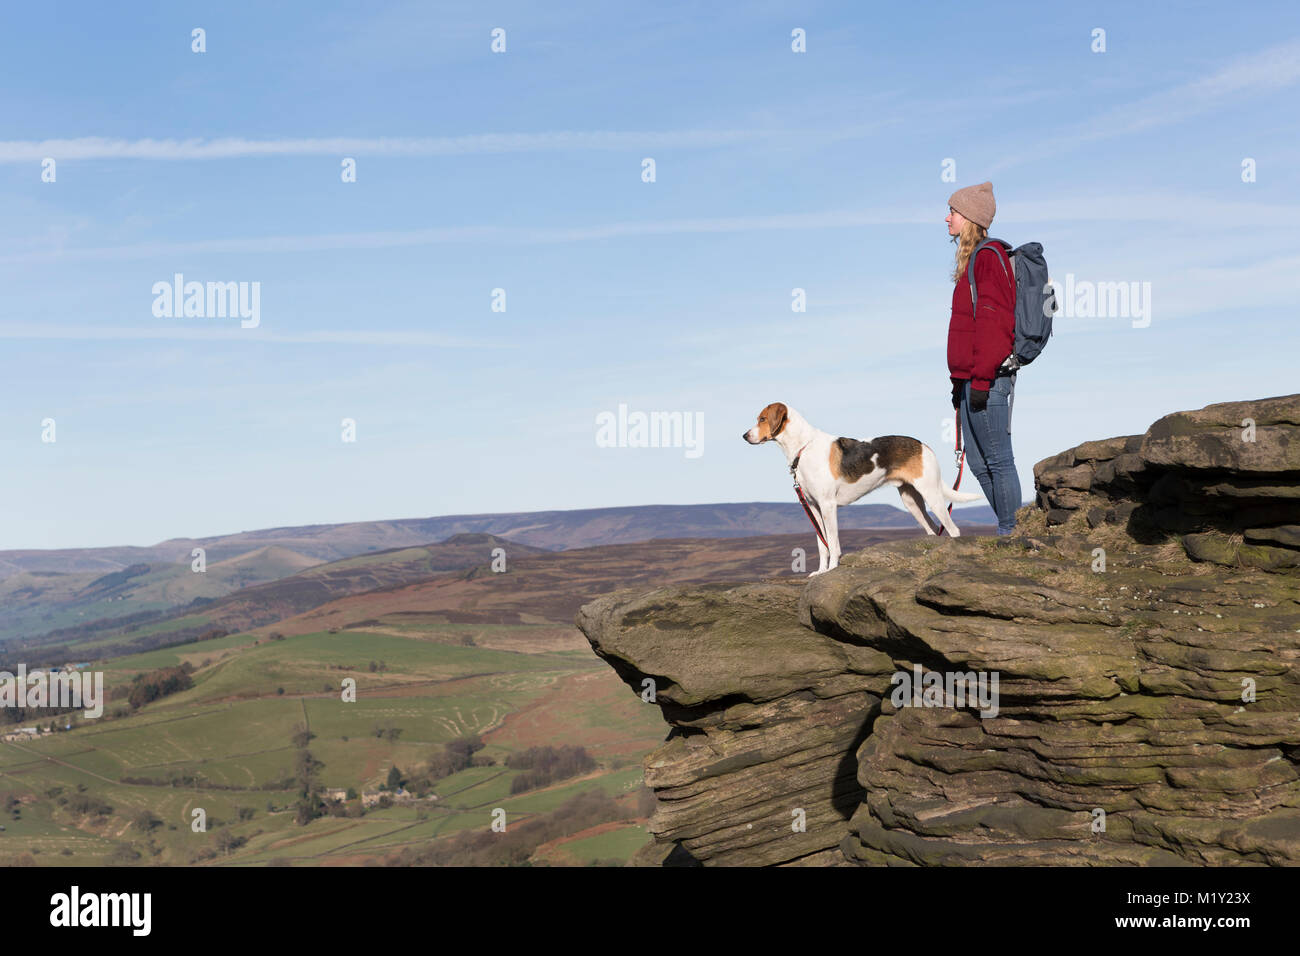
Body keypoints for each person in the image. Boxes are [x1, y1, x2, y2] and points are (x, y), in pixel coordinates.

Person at [945, 181, 1021, 536]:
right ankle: (1012, 528)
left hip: (988, 381)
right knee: (977, 462)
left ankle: (1011, 533)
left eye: (953, 212)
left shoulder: (988, 258)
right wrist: (959, 382)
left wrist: (979, 380)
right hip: (971, 381)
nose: (947, 218)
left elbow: (994, 326)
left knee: (998, 460)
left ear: (971, 218)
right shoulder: (972, 262)